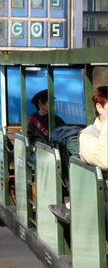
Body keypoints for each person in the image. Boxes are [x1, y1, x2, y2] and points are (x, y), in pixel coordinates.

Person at [49, 86, 108, 224]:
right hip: (101, 202)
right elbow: (104, 161)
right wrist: (106, 127)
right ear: (100, 108)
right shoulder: (88, 135)